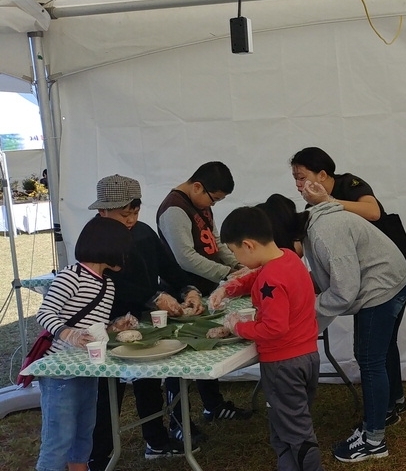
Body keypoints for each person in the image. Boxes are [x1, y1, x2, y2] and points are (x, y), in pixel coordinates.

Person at [272, 183, 406, 463]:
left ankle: (374, 441)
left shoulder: (324, 233)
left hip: (382, 287)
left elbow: (343, 292)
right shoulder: (313, 226)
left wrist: (304, 310)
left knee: (370, 360)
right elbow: (330, 275)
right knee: (375, 356)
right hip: (389, 278)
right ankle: (386, 411)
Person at [292, 146, 406, 425]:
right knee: (379, 348)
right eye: (295, 179)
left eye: (301, 177)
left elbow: (373, 212)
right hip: (375, 277)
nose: (298, 184)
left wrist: (329, 201)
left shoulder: (348, 185)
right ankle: (393, 401)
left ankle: (378, 423)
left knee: (371, 354)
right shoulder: (314, 208)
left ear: (323, 174)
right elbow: (302, 248)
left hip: (383, 278)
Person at [86, 175, 206, 470]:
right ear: (102, 211)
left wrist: (188, 289)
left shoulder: (142, 232)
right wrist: (153, 296)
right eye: (124, 214)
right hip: (108, 324)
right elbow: (110, 284)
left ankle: (156, 440)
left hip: (144, 321)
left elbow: (167, 265)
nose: (131, 219)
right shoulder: (94, 240)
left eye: (135, 212)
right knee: (107, 394)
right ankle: (98, 458)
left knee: (148, 381)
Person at [211, 206, 323, 471]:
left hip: (283, 364)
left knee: (295, 432)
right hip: (307, 356)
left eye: (235, 252)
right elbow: (256, 276)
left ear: (248, 245)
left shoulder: (270, 277)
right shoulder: (287, 257)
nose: (236, 258)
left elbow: (274, 328)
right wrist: (230, 287)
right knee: (288, 423)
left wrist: (238, 326)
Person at [155, 161, 251, 437]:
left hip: (207, 289)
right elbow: (185, 257)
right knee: (176, 356)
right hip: (182, 292)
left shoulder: (200, 203)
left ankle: (213, 404)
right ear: (197, 186)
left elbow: (216, 242)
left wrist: (237, 267)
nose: (214, 205)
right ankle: (178, 422)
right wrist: (226, 273)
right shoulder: (174, 209)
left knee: (206, 344)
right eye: (215, 198)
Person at [34, 217, 132, 471]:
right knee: (58, 439)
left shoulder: (107, 284)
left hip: (88, 369)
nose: (125, 256)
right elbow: (45, 313)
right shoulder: (71, 276)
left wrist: (114, 326)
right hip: (59, 372)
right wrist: (68, 333)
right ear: (108, 247)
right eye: (123, 249)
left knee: (84, 433)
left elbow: (94, 326)